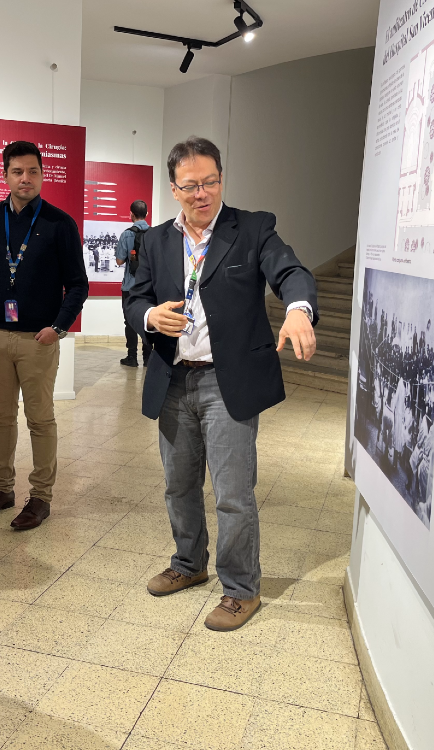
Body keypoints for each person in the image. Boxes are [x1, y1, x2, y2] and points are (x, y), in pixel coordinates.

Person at [126, 136, 318, 632]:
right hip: (173, 380)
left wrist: (298, 309)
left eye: (210, 182)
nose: (202, 193)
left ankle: (241, 589)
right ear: (173, 189)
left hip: (225, 382)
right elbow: (133, 298)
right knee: (178, 485)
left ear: (221, 180)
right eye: (191, 185)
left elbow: (290, 271)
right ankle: (189, 564)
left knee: (232, 493)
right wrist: (149, 316)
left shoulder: (251, 228)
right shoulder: (156, 241)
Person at [0, 140, 88, 529]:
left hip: (38, 339)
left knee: (40, 419)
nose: (25, 178)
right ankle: (2, 489)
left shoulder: (59, 223)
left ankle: (40, 497)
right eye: (17, 171)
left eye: (33, 171)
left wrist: (58, 327)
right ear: (5, 175)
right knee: (0, 416)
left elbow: (78, 284)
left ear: (42, 175)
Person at [116, 199, 151, 367]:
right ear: (147, 214)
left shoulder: (126, 234)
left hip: (130, 286)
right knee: (148, 320)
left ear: (131, 214)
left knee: (129, 322)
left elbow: (119, 261)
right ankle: (148, 358)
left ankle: (132, 357)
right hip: (149, 287)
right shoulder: (154, 234)